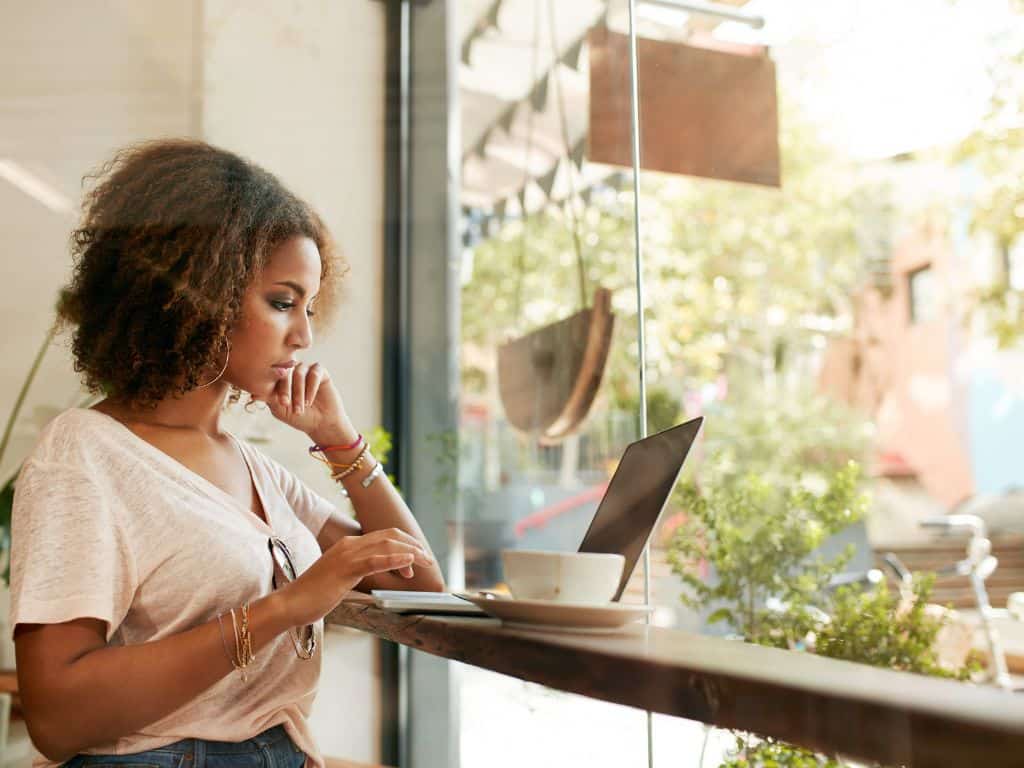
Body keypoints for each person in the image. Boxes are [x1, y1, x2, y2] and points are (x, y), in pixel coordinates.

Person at [8, 139, 445, 768]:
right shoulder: (85, 453)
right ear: (197, 295)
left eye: (311, 306)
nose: (305, 335)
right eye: (282, 301)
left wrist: (339, 441)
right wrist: (286, 607)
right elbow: (56, 717)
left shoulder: (254, 468)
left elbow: (420, 586)